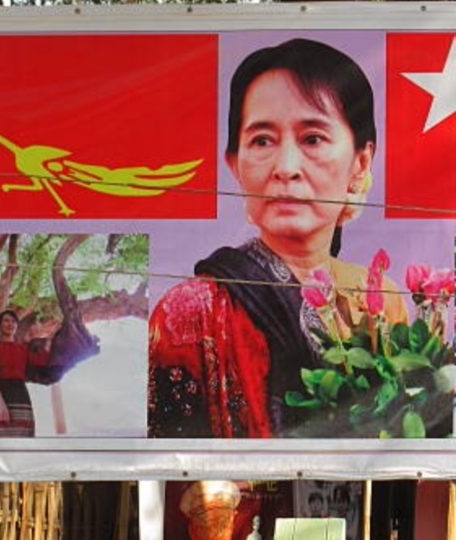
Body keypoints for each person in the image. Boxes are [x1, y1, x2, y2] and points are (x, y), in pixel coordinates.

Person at [148, 39, 407, 438]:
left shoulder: (380, 300)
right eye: (263, 141)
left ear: (361, 162)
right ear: (235, 163)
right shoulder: (192, 312)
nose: (286, 168)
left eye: (313, 139)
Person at [0, 310, 49, 437]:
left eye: (14, 321)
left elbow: (42, 360)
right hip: (1, 397)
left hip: (21, 395)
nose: (10, 324)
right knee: (6, 439)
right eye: (6, 320)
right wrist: (1, 405)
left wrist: (49, 343)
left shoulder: (22, 350)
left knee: (25, 440)